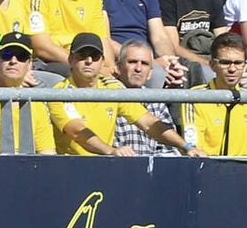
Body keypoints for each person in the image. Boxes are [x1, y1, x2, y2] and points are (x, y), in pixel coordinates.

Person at [49, 31, 200, 156]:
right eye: (82, 56)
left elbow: (148, 123)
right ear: (70, 60)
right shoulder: (59, 93)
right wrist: (111, 151)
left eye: (94, 56)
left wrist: (186, 146)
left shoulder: (113, 89)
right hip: (70, 168)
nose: (89, 61)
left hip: (105, 166)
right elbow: (77, 132)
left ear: (102, 61)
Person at [180, 32, 247, 156]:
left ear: (245, 66)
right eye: (225, 62)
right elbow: (194, 148)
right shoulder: (195, 97)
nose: (232, 69)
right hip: (208, 170)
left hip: (245, 172)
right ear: (212, 65)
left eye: (238, 63)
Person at [0, 31, 57, 154]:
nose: (13, 61)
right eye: (7, 54)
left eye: (21, 56)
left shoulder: (37, 102)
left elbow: (47, 152)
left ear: (29, 65)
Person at [112, 39, 182, 156]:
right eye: (132, 62)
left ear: (150, 73)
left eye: (144, 64)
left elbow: (169, 151)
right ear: (118, 67)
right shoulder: (107, 98)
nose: (138, 68)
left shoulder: (157, 103)